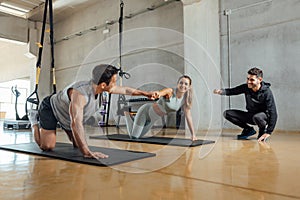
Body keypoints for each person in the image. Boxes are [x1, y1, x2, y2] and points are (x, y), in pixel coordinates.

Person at [28, 64, 157, 159]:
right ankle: (34, 119)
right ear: (103, 85)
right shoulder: (80, 94)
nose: (115, 85)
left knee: (76, 144)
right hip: (51, 108)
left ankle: (61, 125)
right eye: (114, 82)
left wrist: (146, 94)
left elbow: (126, 90)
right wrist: (87, 152)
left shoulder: (102, 87)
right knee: (47, 147)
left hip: (67, 115)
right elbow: (76, 123)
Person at [124, 75, 197, 141]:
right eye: (181, 83)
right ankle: (127, 115)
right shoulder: (170, 92)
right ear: (177, 84)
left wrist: (193, 135)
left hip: (151, 120)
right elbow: (161, 93)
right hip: (145, 112)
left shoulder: (185, 99)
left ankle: (133, 119)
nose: (183, 85)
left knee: (138, 136)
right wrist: (157, 94)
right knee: (134, 137)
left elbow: (188, 116)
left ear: (189, 87)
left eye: (186, 84)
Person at [213, 67, 277, 141]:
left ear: (259, 80)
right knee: (227, 113)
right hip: (251, 116)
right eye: (248, 79)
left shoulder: (267, 92)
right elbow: (233, 91)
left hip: (262, 117)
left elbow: (273, 112)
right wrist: (221, 91)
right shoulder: (246, 87)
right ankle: (248, 130)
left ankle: (262, 131)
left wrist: (269, 132)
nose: (248, 82)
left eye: (252, 79)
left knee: (257, 117)